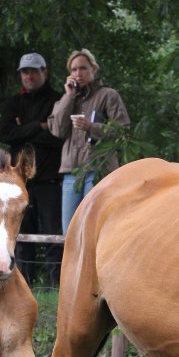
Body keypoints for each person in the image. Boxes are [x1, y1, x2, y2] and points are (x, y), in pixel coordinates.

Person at [0, 52, 64, 286]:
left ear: (44, 72)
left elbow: (59, 137)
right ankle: (21, 283)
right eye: (25, 72)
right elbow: (6, 134)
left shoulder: (59, 100)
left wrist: (24, 131)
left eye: (34, 71)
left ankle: (55, 284)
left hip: (49, 179)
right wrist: (40, 125)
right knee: (21, 233)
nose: (29, 76)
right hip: (19, 182)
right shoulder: (13, 103)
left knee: (53, 235)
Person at [48, 48, 131, 232]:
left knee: (94, 228)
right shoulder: (66, 99)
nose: (78, 73)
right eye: (74, 69)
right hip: (72, 172)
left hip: (99, 170)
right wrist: (68, 97)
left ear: (93, 69)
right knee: (69, 231)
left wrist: (91, 127)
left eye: (83, 68)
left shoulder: (108, 95)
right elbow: (57, 130)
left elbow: (122, 131)